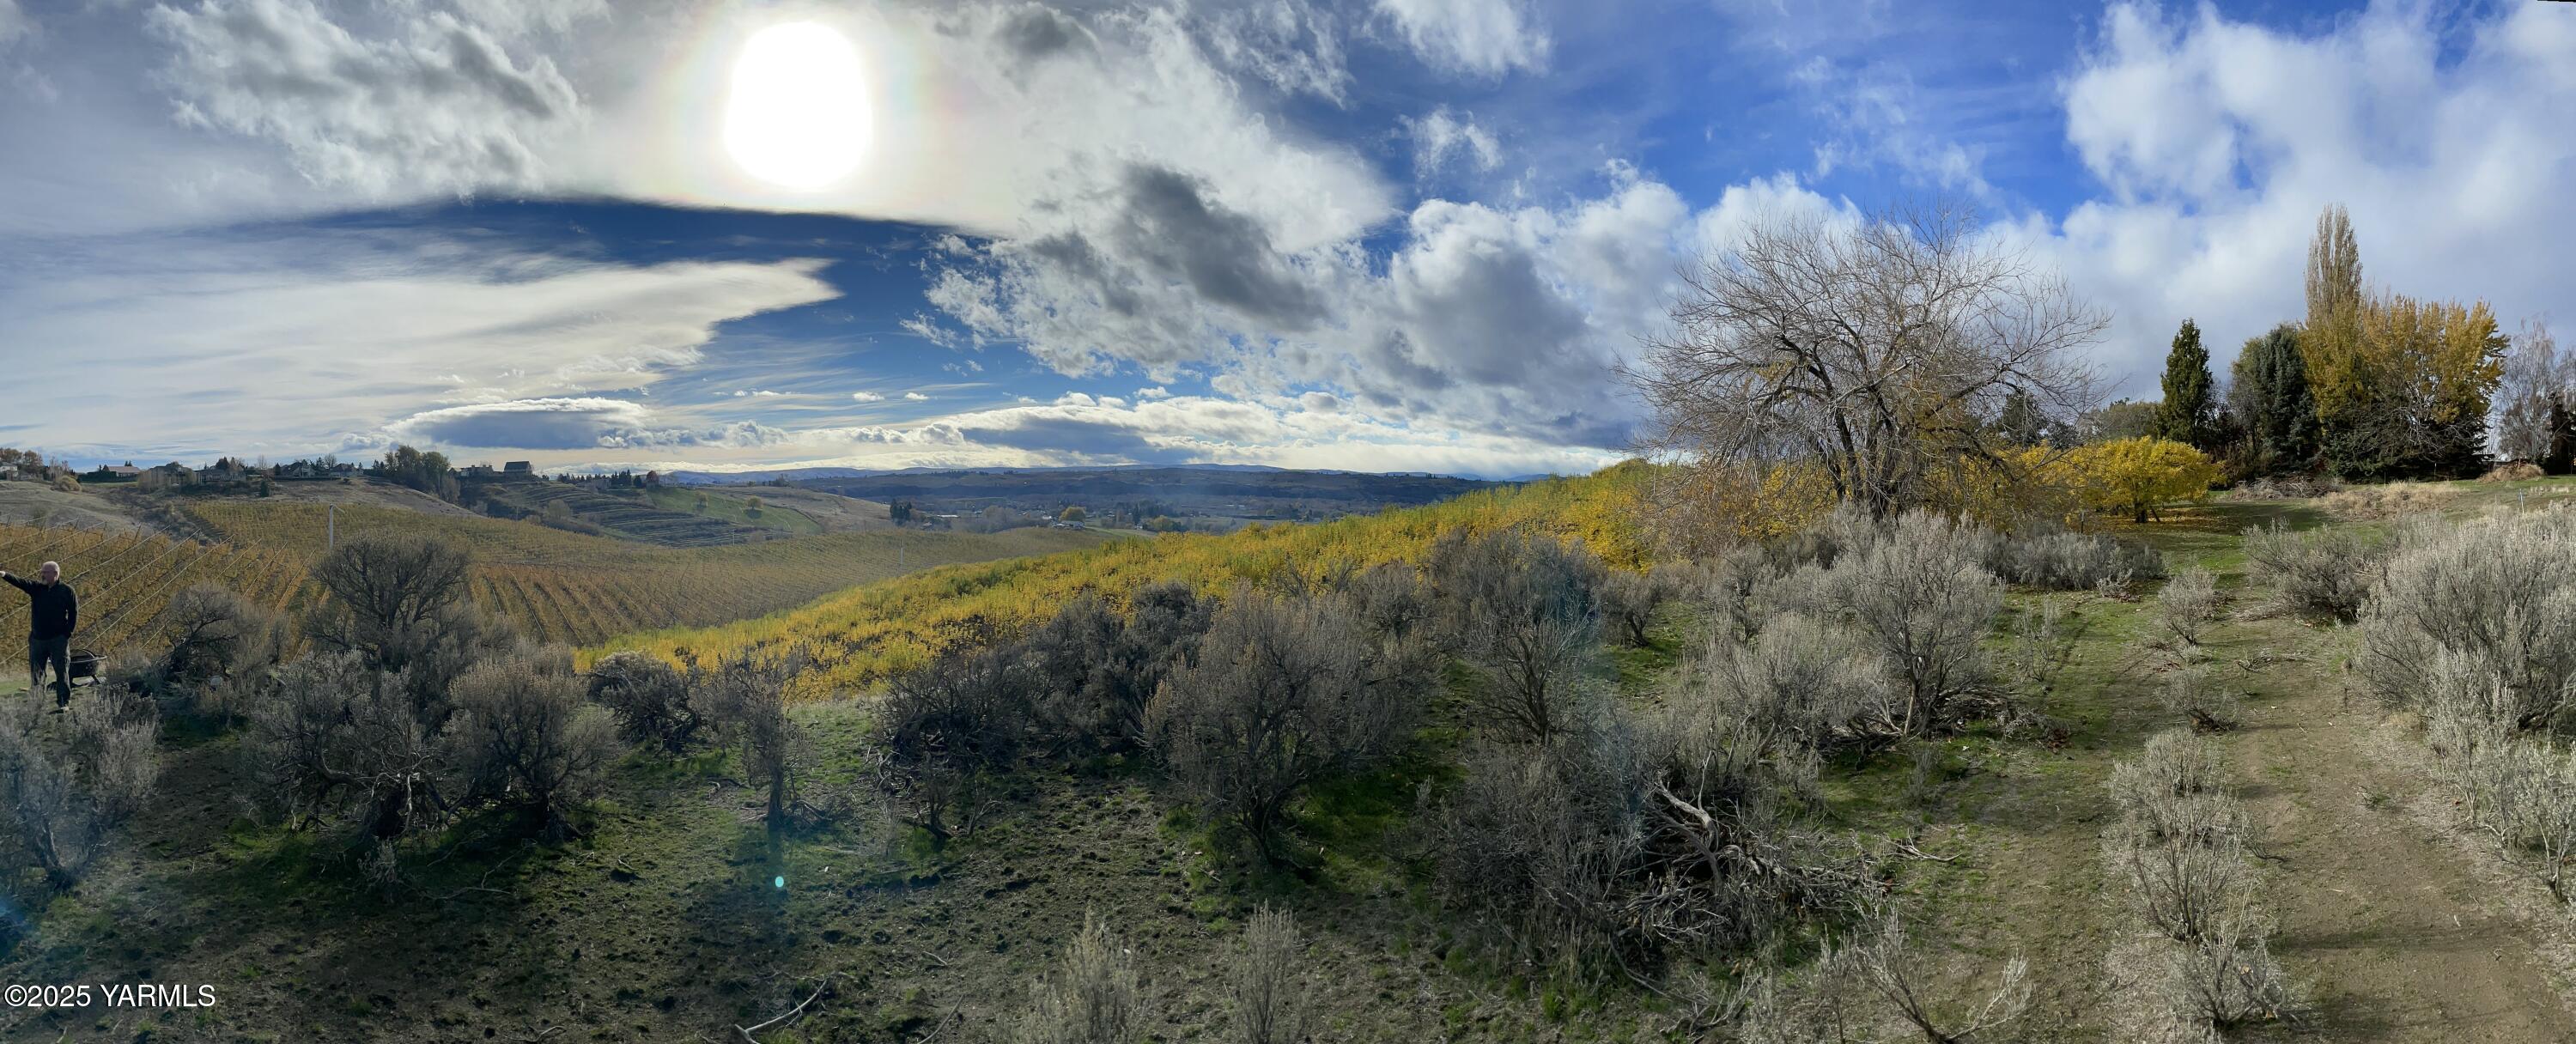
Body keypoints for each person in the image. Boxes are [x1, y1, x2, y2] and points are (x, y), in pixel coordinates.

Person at [2, 561, 76, 710]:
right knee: (37, 674)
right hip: (37, 640)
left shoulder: (67, 591)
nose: (42, 574)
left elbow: (74, 613)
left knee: (61, 672)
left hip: (58, 640)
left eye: (45, 572)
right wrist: (4, 575)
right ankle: (37, 705)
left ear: (55, 574)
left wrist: (67, 634)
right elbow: (21, 582)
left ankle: (63, 703)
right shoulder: (37, 589)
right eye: (42, 571)